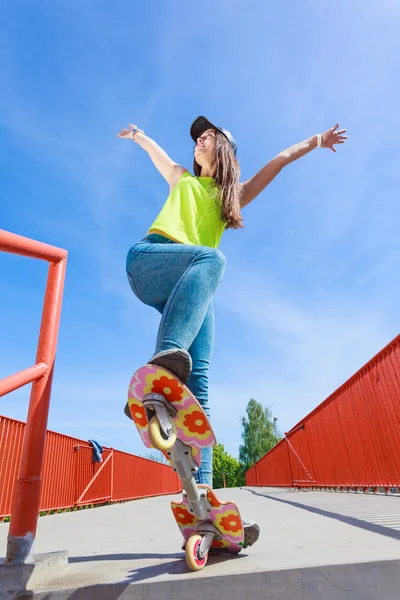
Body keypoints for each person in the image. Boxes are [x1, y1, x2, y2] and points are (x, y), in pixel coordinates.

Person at [117, 116, 347, 547]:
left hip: (191, 286)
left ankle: (203, 496)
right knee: (213, 262)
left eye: (207, 138)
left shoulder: (232, 196)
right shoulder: (181, 178)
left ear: (223, 151)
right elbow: (158, 157)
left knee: (200, 382)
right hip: (153, 259)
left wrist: (317, 141)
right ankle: (160, 373)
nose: (198, 142)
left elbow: (277, 162)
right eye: (197, 139)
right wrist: (140, 136)